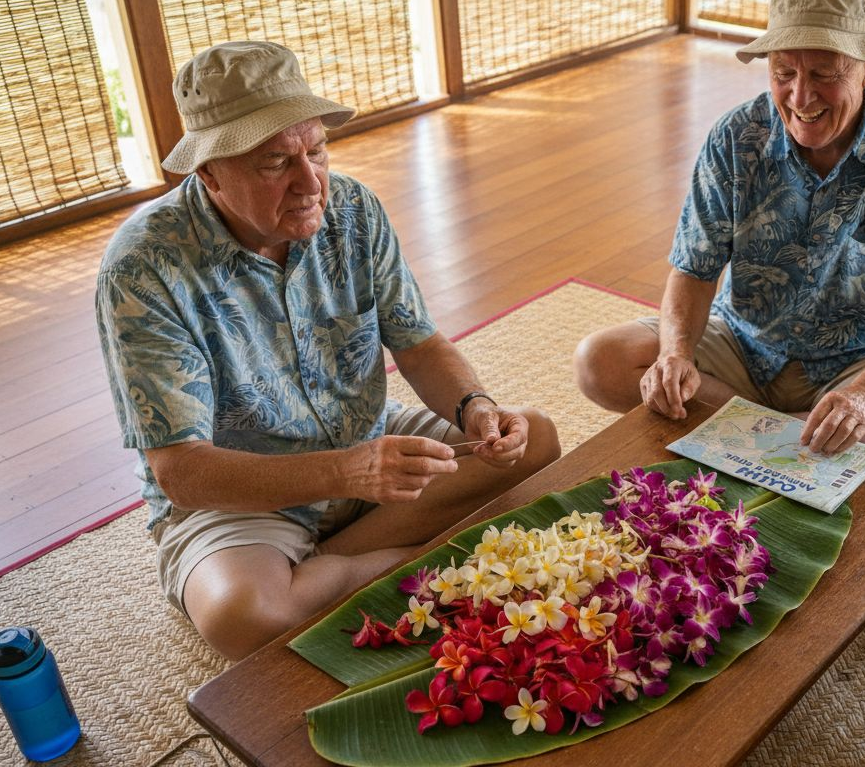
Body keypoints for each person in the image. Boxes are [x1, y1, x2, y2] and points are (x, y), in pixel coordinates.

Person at [95, 41, 560, 661]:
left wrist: (476, 407)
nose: (310, 182)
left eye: (316, 150)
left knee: (538, 440)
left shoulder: (354, 209)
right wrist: (347, 470)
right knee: (246, 615)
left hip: (368, 439)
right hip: (246, 488)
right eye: (274, 163)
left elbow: (418, 343)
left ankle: (334, 567)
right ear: (208, 173)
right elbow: (182, 472)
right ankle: (416, 561)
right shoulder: (144, 266)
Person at [574, 0, 865, 459]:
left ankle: (757, 438)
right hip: (741, 342)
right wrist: (676, 355)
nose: (801, 97)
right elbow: (694, 270)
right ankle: (788, 442)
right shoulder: (735, 136)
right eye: (784, 73)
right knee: (599, 362)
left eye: (824, 74)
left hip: (857, 356)